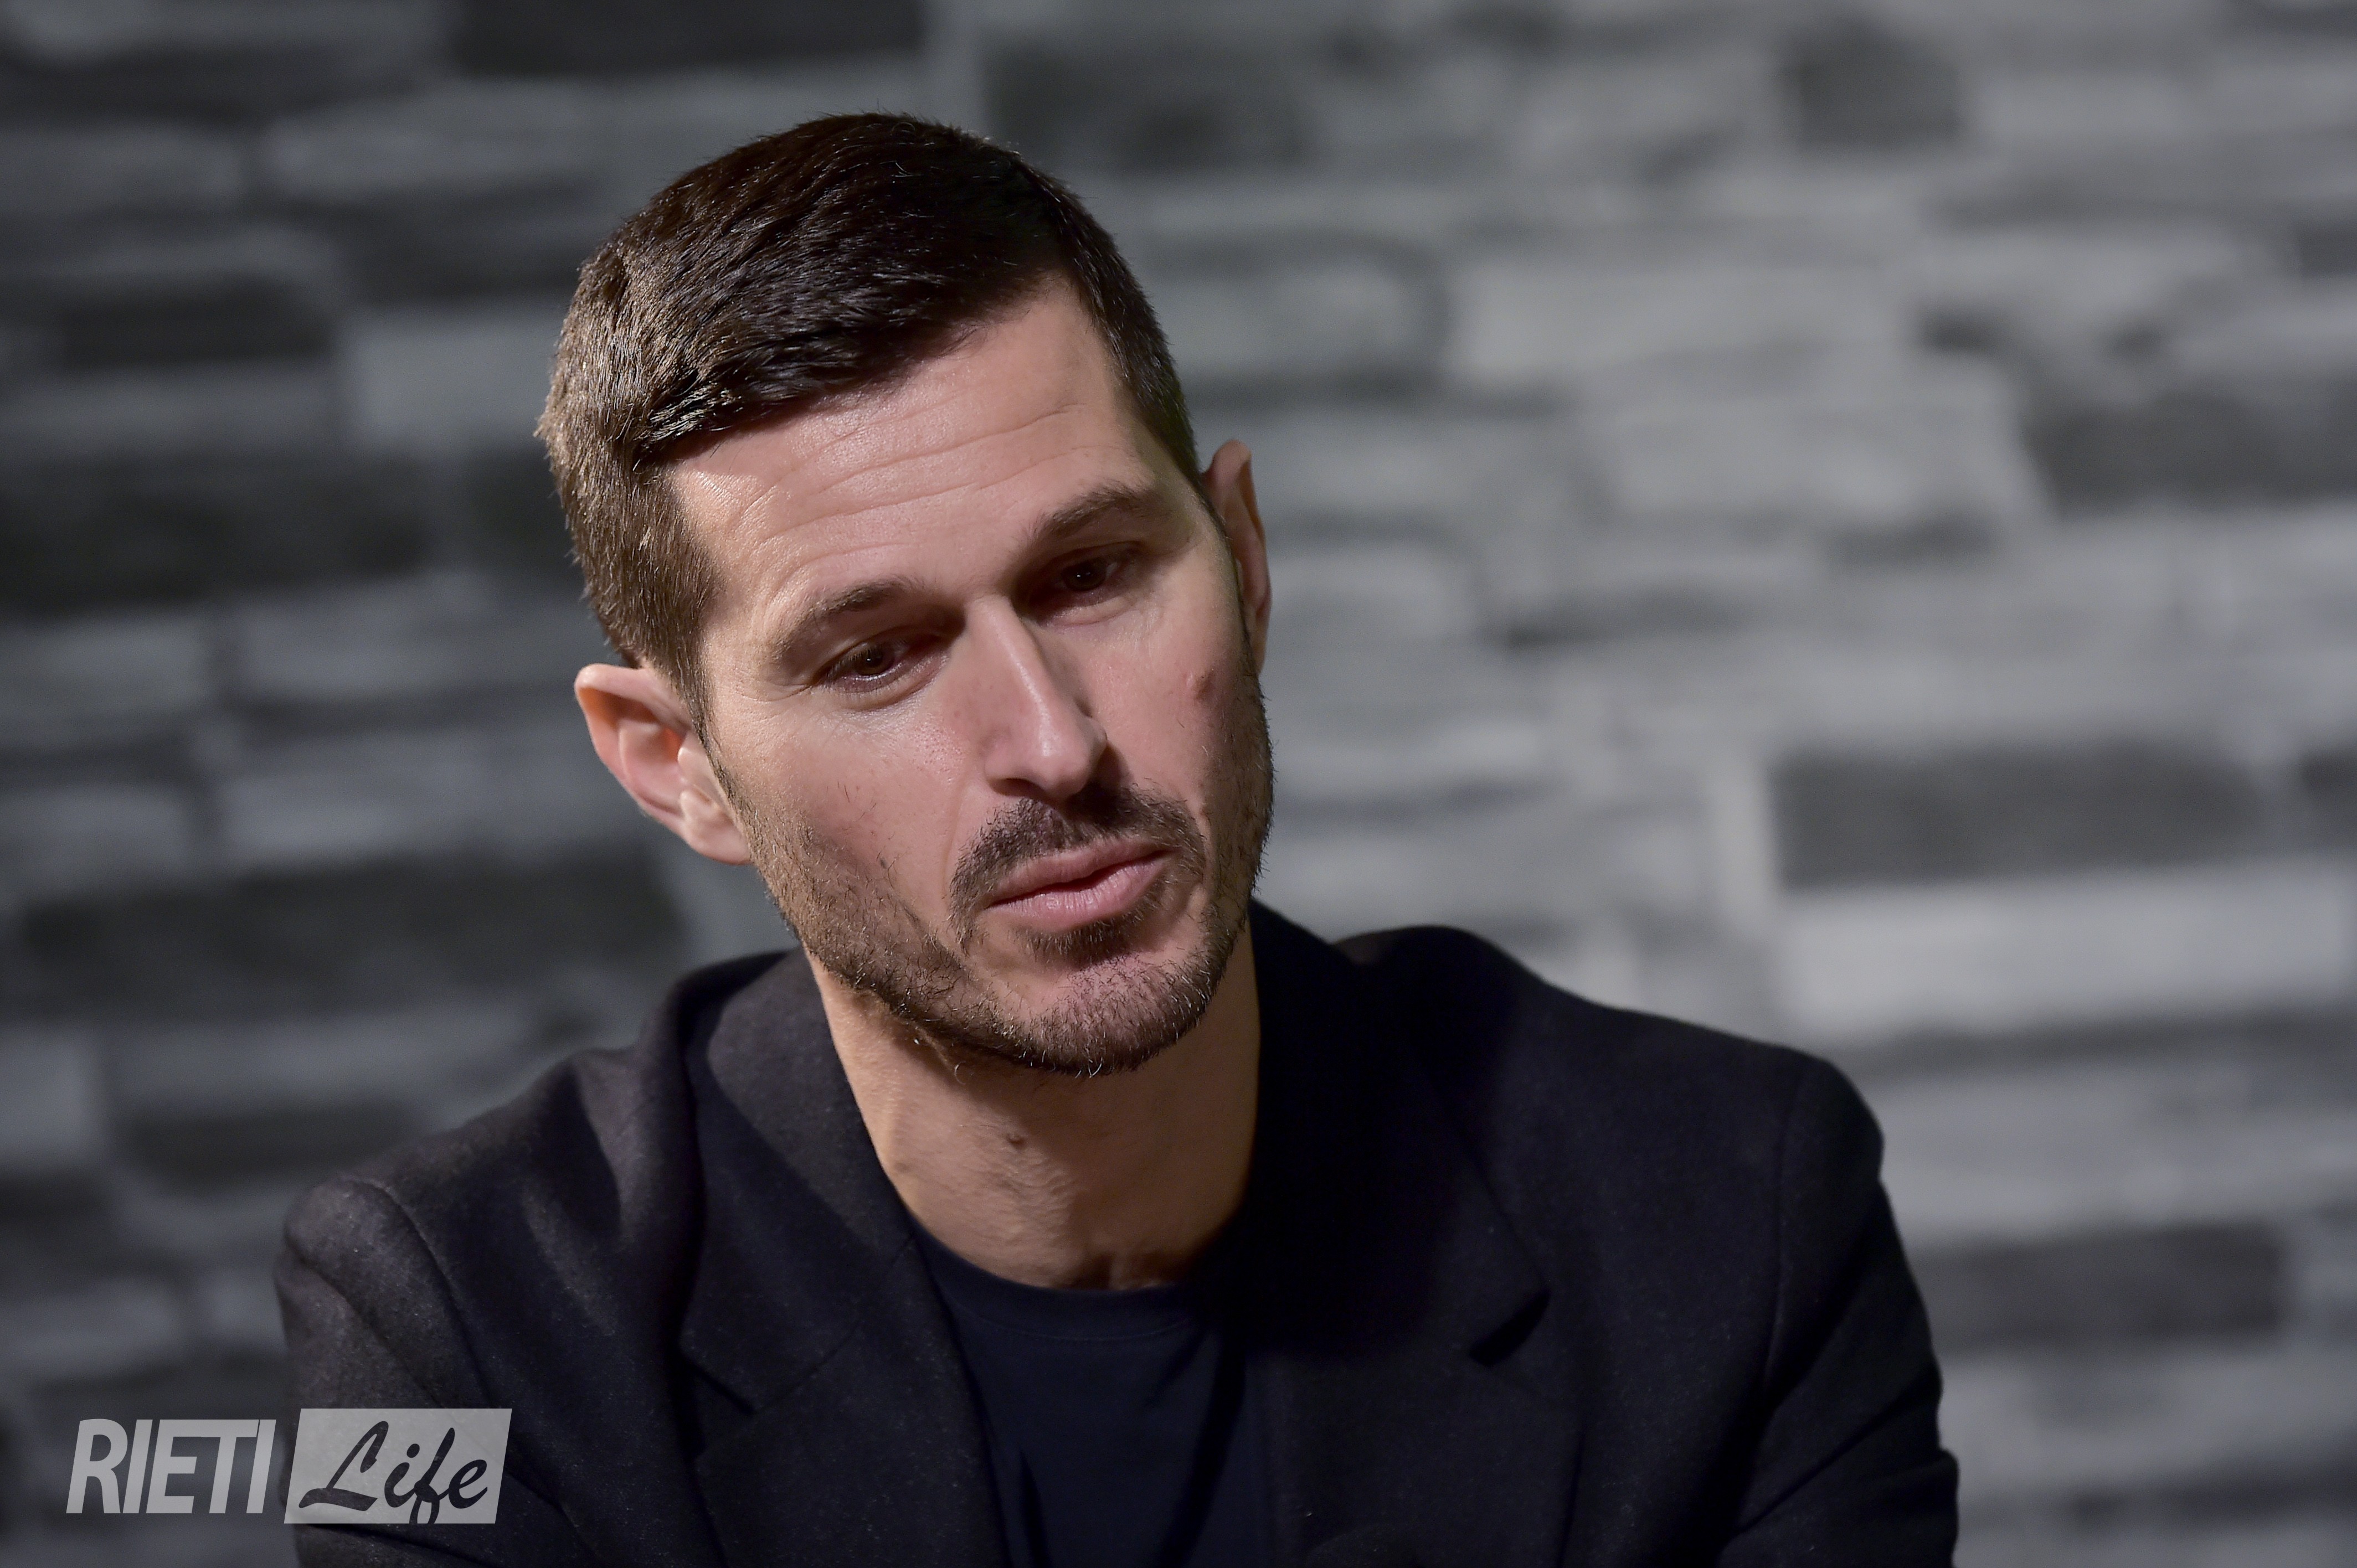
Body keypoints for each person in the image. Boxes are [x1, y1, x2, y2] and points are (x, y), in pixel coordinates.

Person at [277, 114, 1957, 1567]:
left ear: (1245, 561)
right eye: (876, 658)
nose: (1051, 745)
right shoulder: (440, 1333)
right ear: (679, 767)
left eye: (1092, 577)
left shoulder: (1731, 1215)